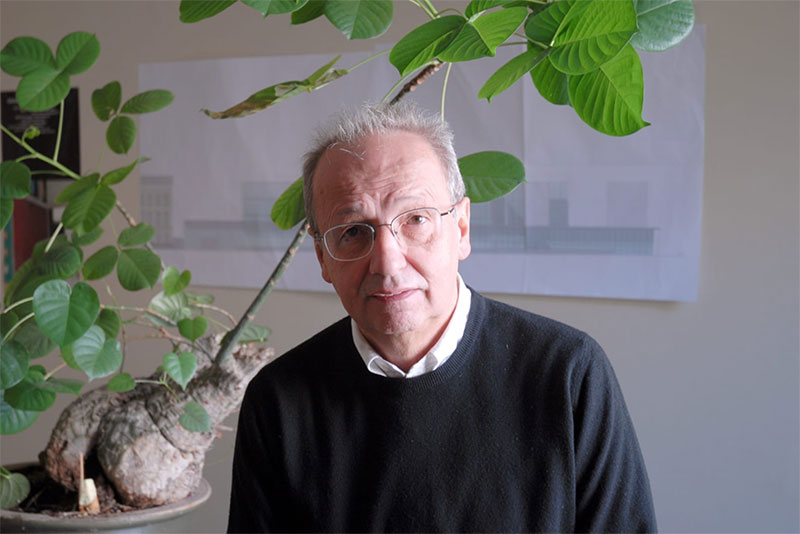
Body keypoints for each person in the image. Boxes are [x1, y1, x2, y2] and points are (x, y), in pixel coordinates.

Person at [227, 102, 656, 533]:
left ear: (461, 228)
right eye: (353, 231)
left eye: (415, 220)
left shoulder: (568, 373)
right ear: (323, 256)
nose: (387, 263)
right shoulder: (278, 400)